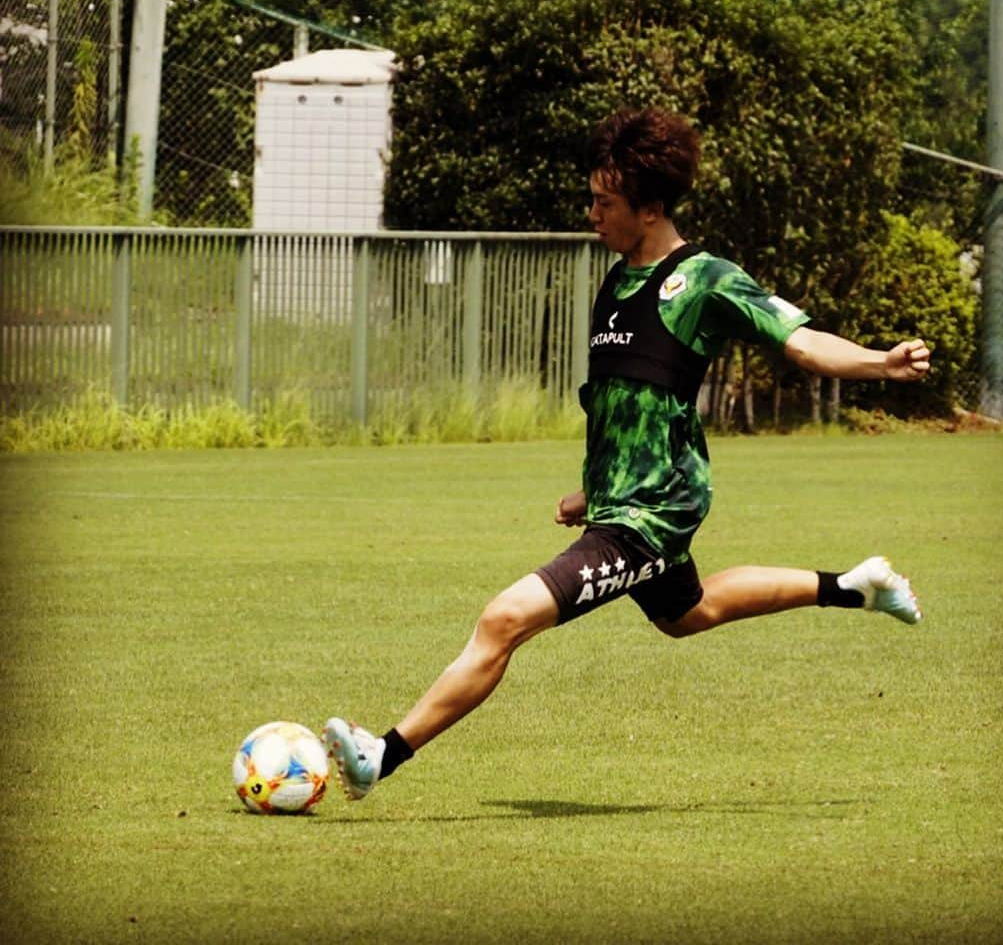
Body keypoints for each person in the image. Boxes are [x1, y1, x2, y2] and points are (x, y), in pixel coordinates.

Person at [323, 107, 930, 799]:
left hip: (654, 512)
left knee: (504, 618)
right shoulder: (616, 283)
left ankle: (380, 757)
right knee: (686, 613)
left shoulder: (705, 278)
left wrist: (881, 362)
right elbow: (624, 399)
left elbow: (799, 341)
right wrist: (594, 486)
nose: (592, 213)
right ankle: (853, 587)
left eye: (604, 202)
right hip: (620, 501)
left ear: (649, 209)